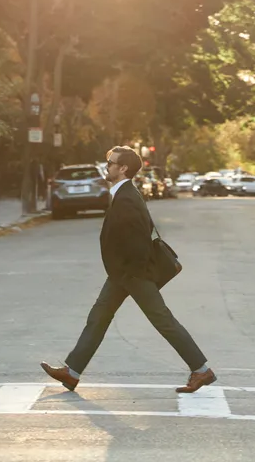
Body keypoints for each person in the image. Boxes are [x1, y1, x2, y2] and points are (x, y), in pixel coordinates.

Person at [40, 146, 216, 394]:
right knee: (98, 317)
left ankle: (201, 370)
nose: (107, 165)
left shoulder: (127, 197)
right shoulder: (122, 194)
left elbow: (139, 241)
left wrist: (130, 274)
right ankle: (72, 372)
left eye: (111, 162)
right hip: (122, 274)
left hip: (132, 274)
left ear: (122, 168)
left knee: (163, 320)